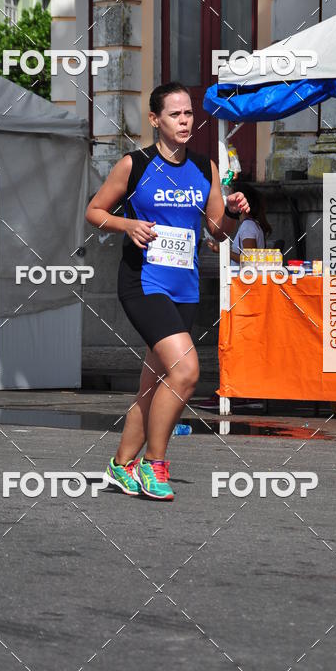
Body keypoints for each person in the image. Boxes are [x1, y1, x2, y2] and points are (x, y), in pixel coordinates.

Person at [85, 82, 249, 501]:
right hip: (144, 283)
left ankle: (120, 465)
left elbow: (216, 232)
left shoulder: (205, 167)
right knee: (186, 371)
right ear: (155, 120)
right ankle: (154, 465)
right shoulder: (134, 165)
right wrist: (127, 225)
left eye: (189, 114)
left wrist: (230, 212)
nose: (185, 121)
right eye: (175, 114)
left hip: (185, 287)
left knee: (153, 382)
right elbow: (94, 211)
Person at [206, 182, 271, 264]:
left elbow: (249, 260)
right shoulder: (251, 224)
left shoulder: (248, 226)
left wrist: (222, 251)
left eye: (231, 201)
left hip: (242, 276)